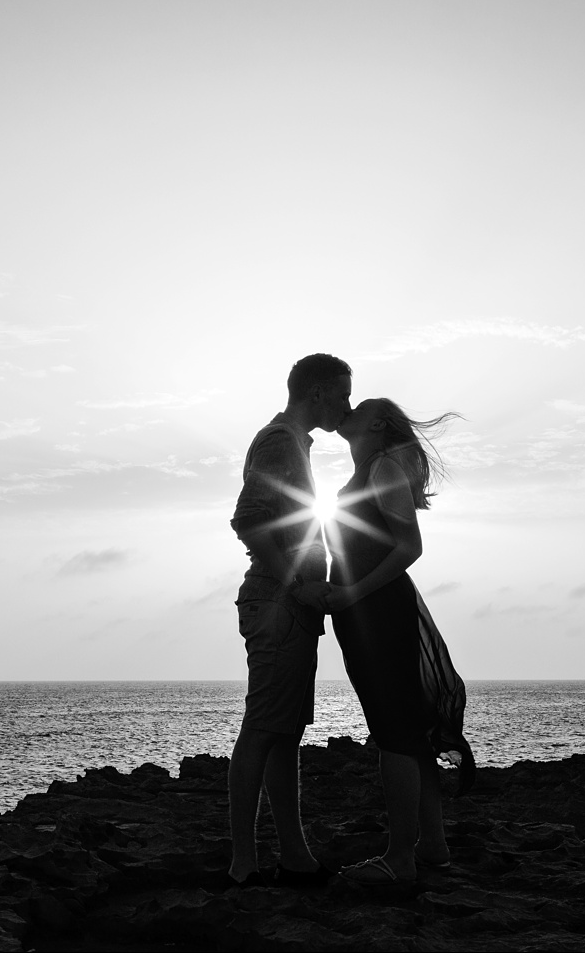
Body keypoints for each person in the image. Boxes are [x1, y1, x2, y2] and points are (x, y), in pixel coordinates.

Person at [321, 397, 473, 885]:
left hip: (376, 610)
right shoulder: (373, 466)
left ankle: (400, 860)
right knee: (406, 730)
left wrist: (350, 593)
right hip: (370, 609)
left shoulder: (383, 466)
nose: (347, 408)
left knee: (394, 733)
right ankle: (432, 846)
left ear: (378, 422)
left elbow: (410, 546)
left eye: (357, 405)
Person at [225, 353, 352, 887]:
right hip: (278, 602)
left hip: (289, 606)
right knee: (263, 729)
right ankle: (243, 863)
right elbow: (248, 520)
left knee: (284, 732)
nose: (346, 405)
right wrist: (296, 582)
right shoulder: (279, 441)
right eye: (342, 393)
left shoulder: (294, 444)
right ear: (319, 391)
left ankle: (294, 854)